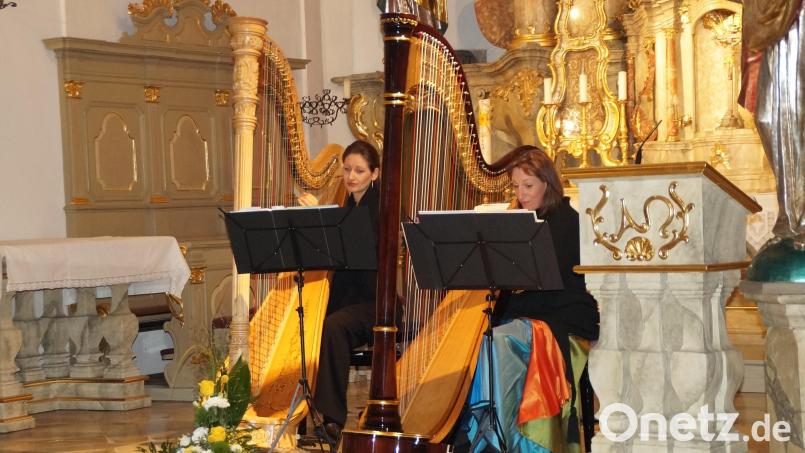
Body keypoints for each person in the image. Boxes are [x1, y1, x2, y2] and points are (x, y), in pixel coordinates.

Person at [455, 145, 599, 453]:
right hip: (530, 315)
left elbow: (548, 290)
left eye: (529, 186)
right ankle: (484, 428)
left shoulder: (565, 222)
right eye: (517, 186)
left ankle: (497, 438)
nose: (522, 193)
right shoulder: (518, 220)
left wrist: (506, 308)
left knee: (498, 340)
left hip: (560, 317)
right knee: (485, 339)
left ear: (547, 183)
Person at [299, 140, 381, 442]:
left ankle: (331, 419)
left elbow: (356, 247)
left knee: (333, 327)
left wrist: (321, 217)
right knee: (306, 320)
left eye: (359, 170)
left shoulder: (379, 205)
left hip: (375, 302)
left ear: (374, 174)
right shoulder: (350, 204)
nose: (351, 176)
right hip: (349, 299)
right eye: (347, 169)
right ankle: (300, 411)